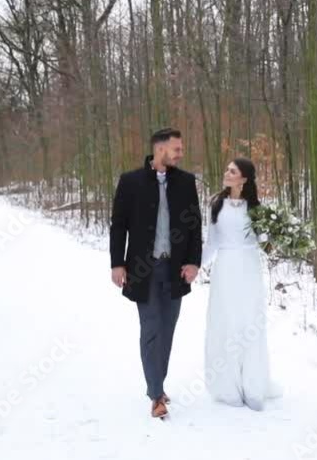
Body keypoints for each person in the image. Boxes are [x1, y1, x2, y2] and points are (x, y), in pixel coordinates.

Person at [109, 128, 202, 419]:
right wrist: (117, 263)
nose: (180, 153)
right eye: (176, 149)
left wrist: (194, 262)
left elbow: (195, 225)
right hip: (143, 269)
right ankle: (156, 395)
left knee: (167, 329)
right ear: (160, 149)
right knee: (151, 329)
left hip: (175, 270)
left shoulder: (186, 182)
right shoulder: (130, 181)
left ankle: (157, 383)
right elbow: (118, 225)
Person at [201, 157, 282, 411]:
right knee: (227, 323)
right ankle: (228, 388)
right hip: (225, 268)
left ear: (244, 179)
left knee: (249, 323)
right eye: (226, 169)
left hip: (249, 268)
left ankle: (253, 386)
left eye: (232, 171)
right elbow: (212, 243)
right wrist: (193, 266)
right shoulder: (216, 204)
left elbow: (264, 243)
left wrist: (278, 234)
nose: (226, 173)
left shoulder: (255, 208)